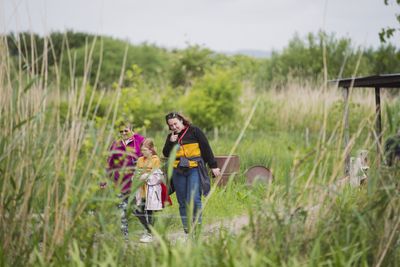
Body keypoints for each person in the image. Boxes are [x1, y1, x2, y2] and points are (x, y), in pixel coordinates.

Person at [162, 112, 220, 235]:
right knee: (182, 201)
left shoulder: (194, 131)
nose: (174, 127)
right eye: (171, 125)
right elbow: (166, 154)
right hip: (178, 170)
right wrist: (171, 142)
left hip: (194, 168)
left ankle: (197, 226)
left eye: (175, 124)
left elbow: (206, 148)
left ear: (181, 120)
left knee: (194, 198)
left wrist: (213, 166)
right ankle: (187, 228)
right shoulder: (171, 136)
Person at [103, 122, 145, 240]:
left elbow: (149, 156)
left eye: (126, 130)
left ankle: (149, 231)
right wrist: (104, 179)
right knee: (121, 208)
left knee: (138, 209)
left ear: (132, 129)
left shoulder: (140, 140)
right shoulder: (115, 144)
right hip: (120, 181)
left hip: (136, 181)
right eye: (121, 131)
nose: (124, 133)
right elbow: (109, 163)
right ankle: (124, 236)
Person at [134, 138, 172, 243]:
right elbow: (137, 172)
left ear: (151, 150)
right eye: (142, 150)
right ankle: (148, 229)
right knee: (137, 210)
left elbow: (157, 175)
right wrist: (137, 177)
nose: (143, 153)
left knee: (149, 211)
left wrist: (145, 176)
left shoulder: (155, 159)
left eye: (145, 150)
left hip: (151, 189)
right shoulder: (140, 160)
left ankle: (149, 233)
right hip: (141, 190)